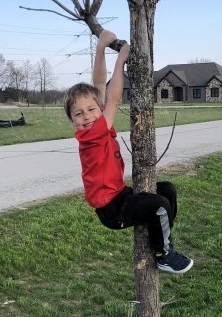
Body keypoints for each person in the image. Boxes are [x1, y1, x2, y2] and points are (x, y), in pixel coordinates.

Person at [64, 30, 194, 274]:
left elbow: (99, 84)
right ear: (72, 121)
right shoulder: (92, 135)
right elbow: (113, 99)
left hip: (120, 194)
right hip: (112, 209)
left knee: (167, 190)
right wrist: (121, 59)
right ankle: (164, 255)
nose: (87, 116)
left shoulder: (97, 126)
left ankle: (162, 237)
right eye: (78, 114)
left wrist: (101, 47)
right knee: (159, 204)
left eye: (91, 109)